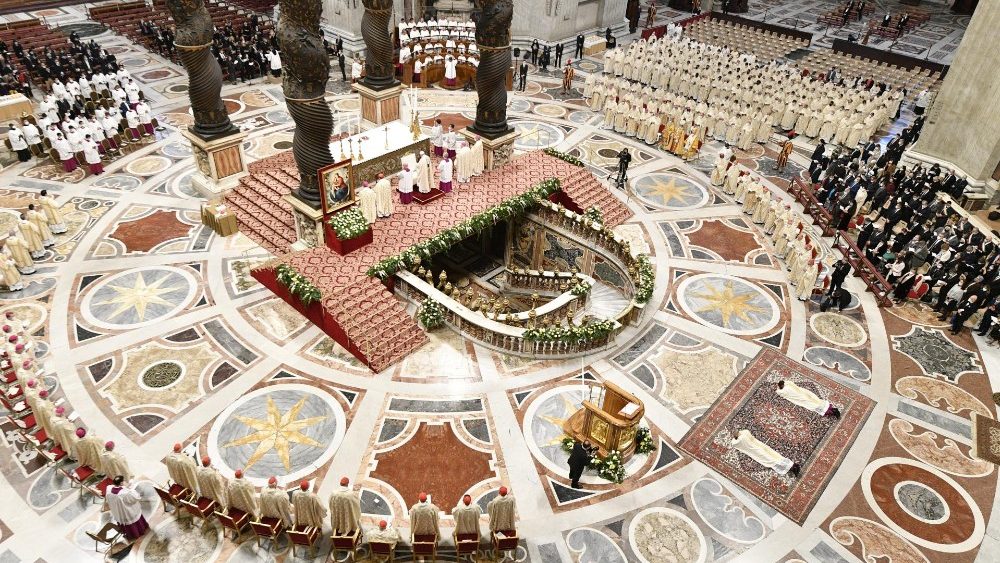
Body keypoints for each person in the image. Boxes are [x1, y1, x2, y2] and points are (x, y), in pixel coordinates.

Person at [729, 429, 799, 476]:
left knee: (770, 460)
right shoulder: (745, 432)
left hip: (756, 450)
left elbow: (734, 443)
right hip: (760, 445)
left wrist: (736, 437)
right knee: (774, 456)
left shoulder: (739, 440)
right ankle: (792, 465)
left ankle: (792, 467)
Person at [104, 476, 149, 540]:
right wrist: (130, 489)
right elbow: (135, 497)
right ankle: (138, 532)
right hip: (127, 511)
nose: (125, 481)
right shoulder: (124, 493)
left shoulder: (109, 489)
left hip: (117, 512)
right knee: (132, 519)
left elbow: (110, 498)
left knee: (126, 522)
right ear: (121, 483)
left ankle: (129, 534)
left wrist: (125, 488)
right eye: (124, 481)